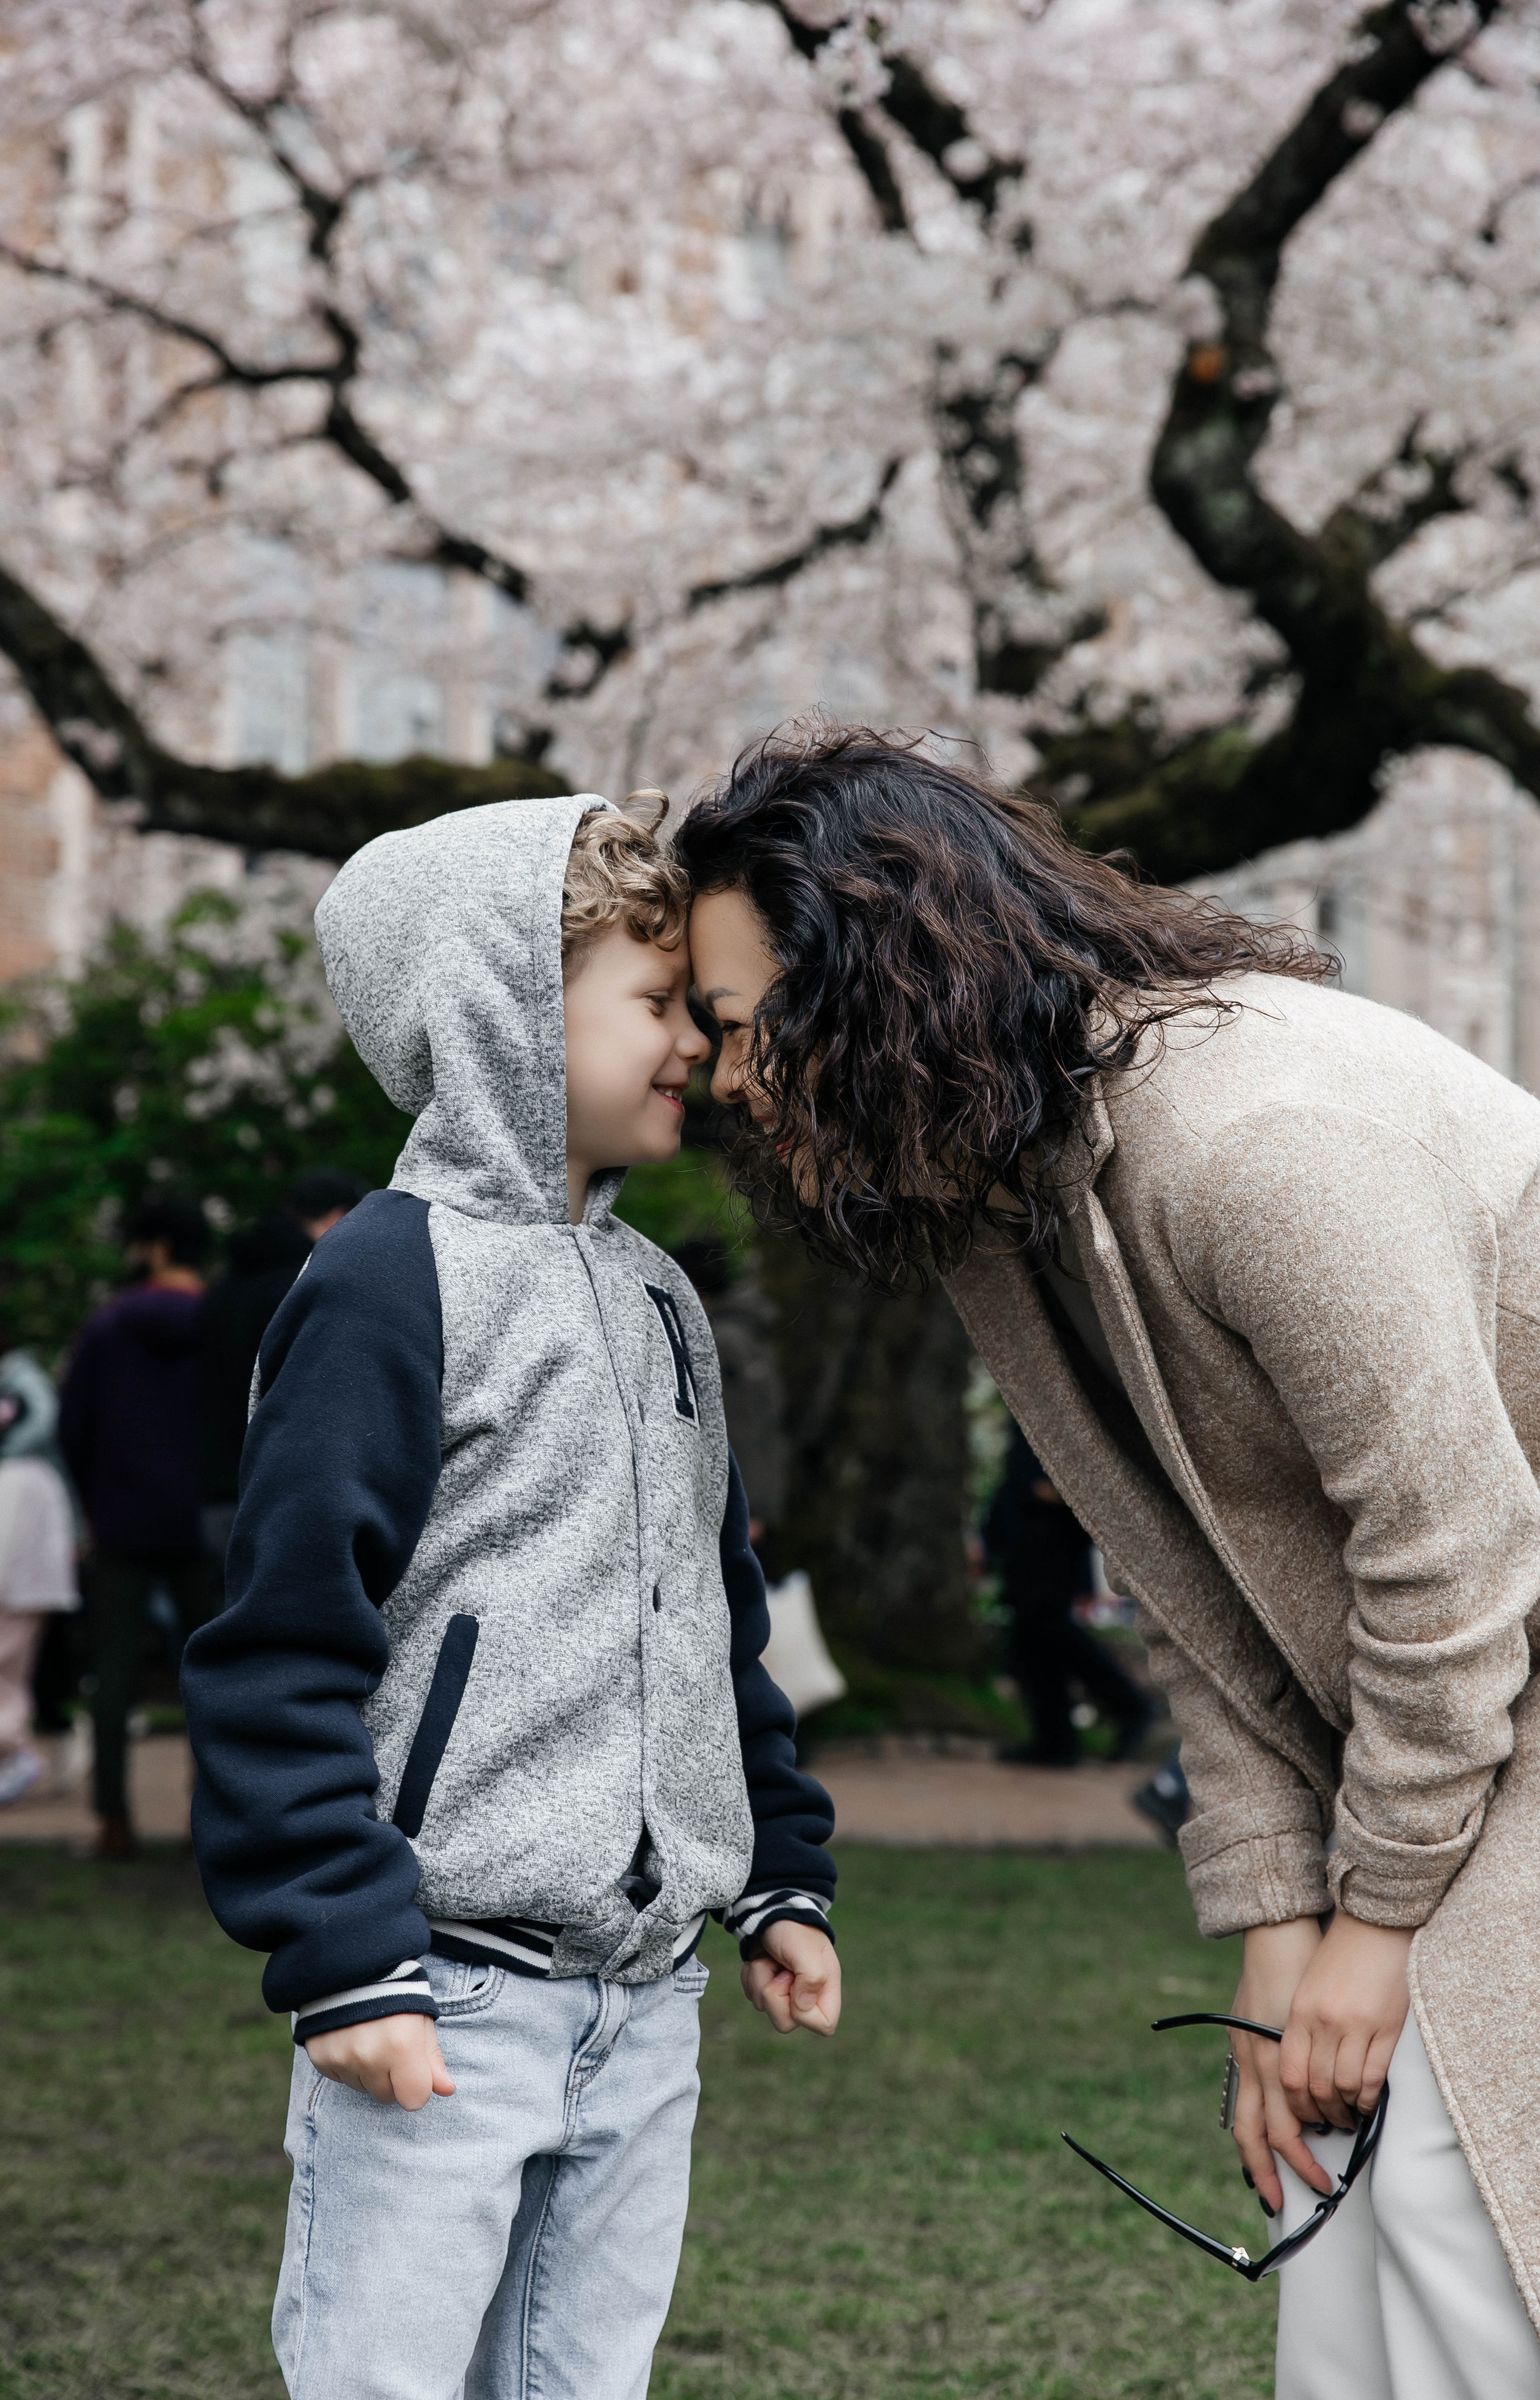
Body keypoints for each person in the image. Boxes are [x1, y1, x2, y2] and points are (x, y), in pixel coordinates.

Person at [678, 724, 1540, 2399]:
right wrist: (1272, 1924)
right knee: (1337, 2159)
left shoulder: (1260, 1141)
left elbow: (1455, 1554)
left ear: (869, 981)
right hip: (1490, 1645)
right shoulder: (1012, 1192)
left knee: (1470, 2130)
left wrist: (1374, 1926)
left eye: (740, 1027)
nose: (723, 1078)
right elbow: (1194, 1581)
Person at [182, 791, 841, 2400]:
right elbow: (278, 1646)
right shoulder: (384, 1282)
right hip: (440, 1991)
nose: (693, 1039)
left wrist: (776, 1869)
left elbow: (714, 1617)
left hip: (643, 2004)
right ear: (504, 1011)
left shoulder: (660, 1299)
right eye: (654, 999)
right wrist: (347, 1955)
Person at [59, 1195, 212, 1859]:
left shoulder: (107, 1326)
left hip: (120, 1517)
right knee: (212, 1674)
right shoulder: (221, 1319)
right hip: (204, 1517)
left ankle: (115, 1819)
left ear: (152, 1247)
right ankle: (206, 1817)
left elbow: (73, 1425)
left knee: (114, 1674)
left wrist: (92, 1498)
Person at [195, 1166, 371, 1571]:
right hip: (289, 1495)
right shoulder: (312, 1281)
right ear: (337, 1217)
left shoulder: (223, 1286)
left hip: (217, 1486)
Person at [982, 1423, 1152, 1766]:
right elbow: (1013, 1480)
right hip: (1023, 1546)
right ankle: (1056, 1743)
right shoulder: (1019, 1413)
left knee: (1051, 1628)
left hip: (1054, 1547)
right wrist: (989, 1537)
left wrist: (1056, 1491)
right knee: (1033, 1643)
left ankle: (1130, 1706)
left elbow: (1083, 1480)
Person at [671, 1235, 789, 1551]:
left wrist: (750, 1511)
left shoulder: (720, 1341)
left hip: (740, 1513)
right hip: (757, 1503)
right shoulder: (748, 1329)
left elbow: (741, 1429)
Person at [0, 1339, 79, 1805]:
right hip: (24, 1581)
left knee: (10, 1667)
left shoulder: (23, 1467)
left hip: (21, 1582)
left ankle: (13, 1754)